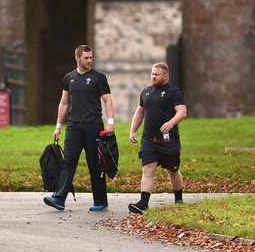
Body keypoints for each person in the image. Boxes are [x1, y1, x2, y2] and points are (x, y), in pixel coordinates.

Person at [43, 44, 115, 212]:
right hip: (74, 127)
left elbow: (108, 101)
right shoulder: (69, 78)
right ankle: (59, 198)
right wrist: (58, 126)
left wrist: (110, 121)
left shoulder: (99, 78)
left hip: (94, 127)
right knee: (68, 162)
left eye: (91, 58)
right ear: (77, 58)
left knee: (95, 165)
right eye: (86, 58)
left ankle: (100, 201)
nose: (89, 61)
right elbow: (64, 103)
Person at [128, 62, 187, 214]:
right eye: (152, 74)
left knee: (172, 170)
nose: (153, 77)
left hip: (168, 139)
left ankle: (179, 199)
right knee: (148, 169)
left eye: (157, 74)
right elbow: (140, 112)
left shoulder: (174, 92)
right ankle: (143, 203)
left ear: (165, 76)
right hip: (149, 138)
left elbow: (182, 112)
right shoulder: (146, 92)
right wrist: (133, 130)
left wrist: (171, 123)